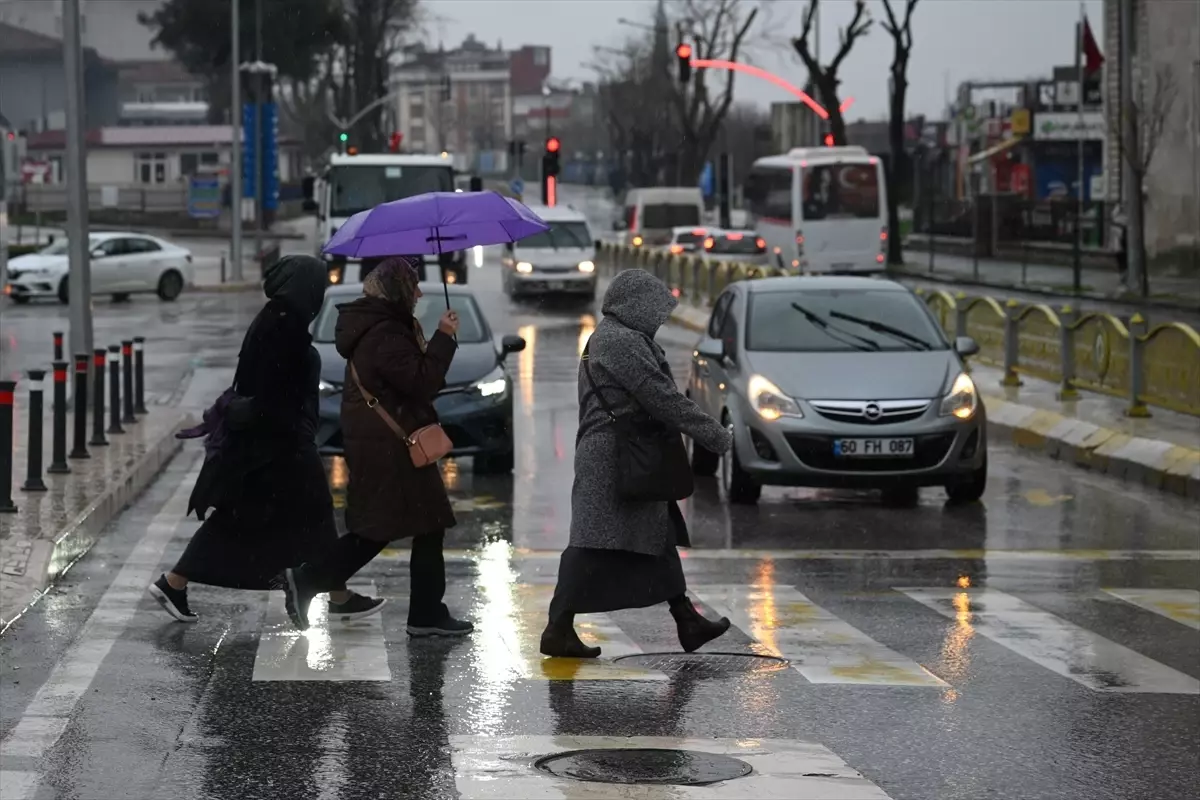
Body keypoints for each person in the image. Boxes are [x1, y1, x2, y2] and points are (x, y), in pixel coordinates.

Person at [148, 255, 384, 623]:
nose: (321, 294)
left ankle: (336, 593)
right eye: (318, 286)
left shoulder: (278, 319)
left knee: (267, 518)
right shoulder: (283, 328)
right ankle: (175, 582)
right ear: (304, 288)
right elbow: (274, 393)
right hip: (277, 446)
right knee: (298, 515)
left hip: (268, 445)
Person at [540, 268, 735, 658]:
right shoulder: (620, 341)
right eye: (655, 311)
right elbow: (662, 397)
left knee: (658, 534)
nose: (660, 320)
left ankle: (688, 621)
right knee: (589, 547)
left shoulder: (617, 337)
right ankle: (558, 628)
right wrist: (715, 434)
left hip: (625, 454)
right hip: (614, 459)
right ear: (635, 307)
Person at [278, 256, 473, 637]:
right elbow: (421, 381)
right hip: (391, 449)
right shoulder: (384, 332)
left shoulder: (382, 326)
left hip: (384, 445)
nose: (418, 293)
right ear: (398, 289)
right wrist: (444, 337)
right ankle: (309, 579)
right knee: (379, 528)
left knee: (421, 524)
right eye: (413, 285)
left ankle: (426, 614)